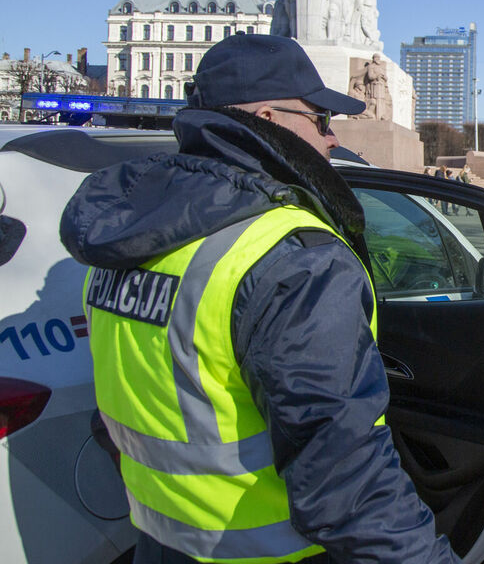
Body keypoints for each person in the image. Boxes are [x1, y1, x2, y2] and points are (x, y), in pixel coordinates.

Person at [59, 34, 458, 564]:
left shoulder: (126, 240)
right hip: (274, 552)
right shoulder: (293, 254)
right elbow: (347, 483)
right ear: (269, 117)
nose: (333, 138)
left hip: (159, 541)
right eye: (320, 120)